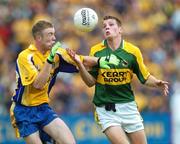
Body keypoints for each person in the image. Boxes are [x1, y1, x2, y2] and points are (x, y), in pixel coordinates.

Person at [9, 20, 119, 144]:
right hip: (24, 111)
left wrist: (100, 61)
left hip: (43, 108)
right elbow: (38, 84)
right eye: (50, 34)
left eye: (54, 34)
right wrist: (50, 59)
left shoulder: (57, 53)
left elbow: (80, 59)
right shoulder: (25, 57)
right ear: (39, 37)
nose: (54, 37)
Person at [67, 15, 169, 144]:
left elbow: (145, 77)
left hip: (128, 107)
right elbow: (90, 82)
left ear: (120, 29)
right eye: (104, 26)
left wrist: (156, 83)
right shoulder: (96, 51)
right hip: (106, 109)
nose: (107, 27)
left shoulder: (133, 51)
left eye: (111, 24)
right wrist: (80, 65)